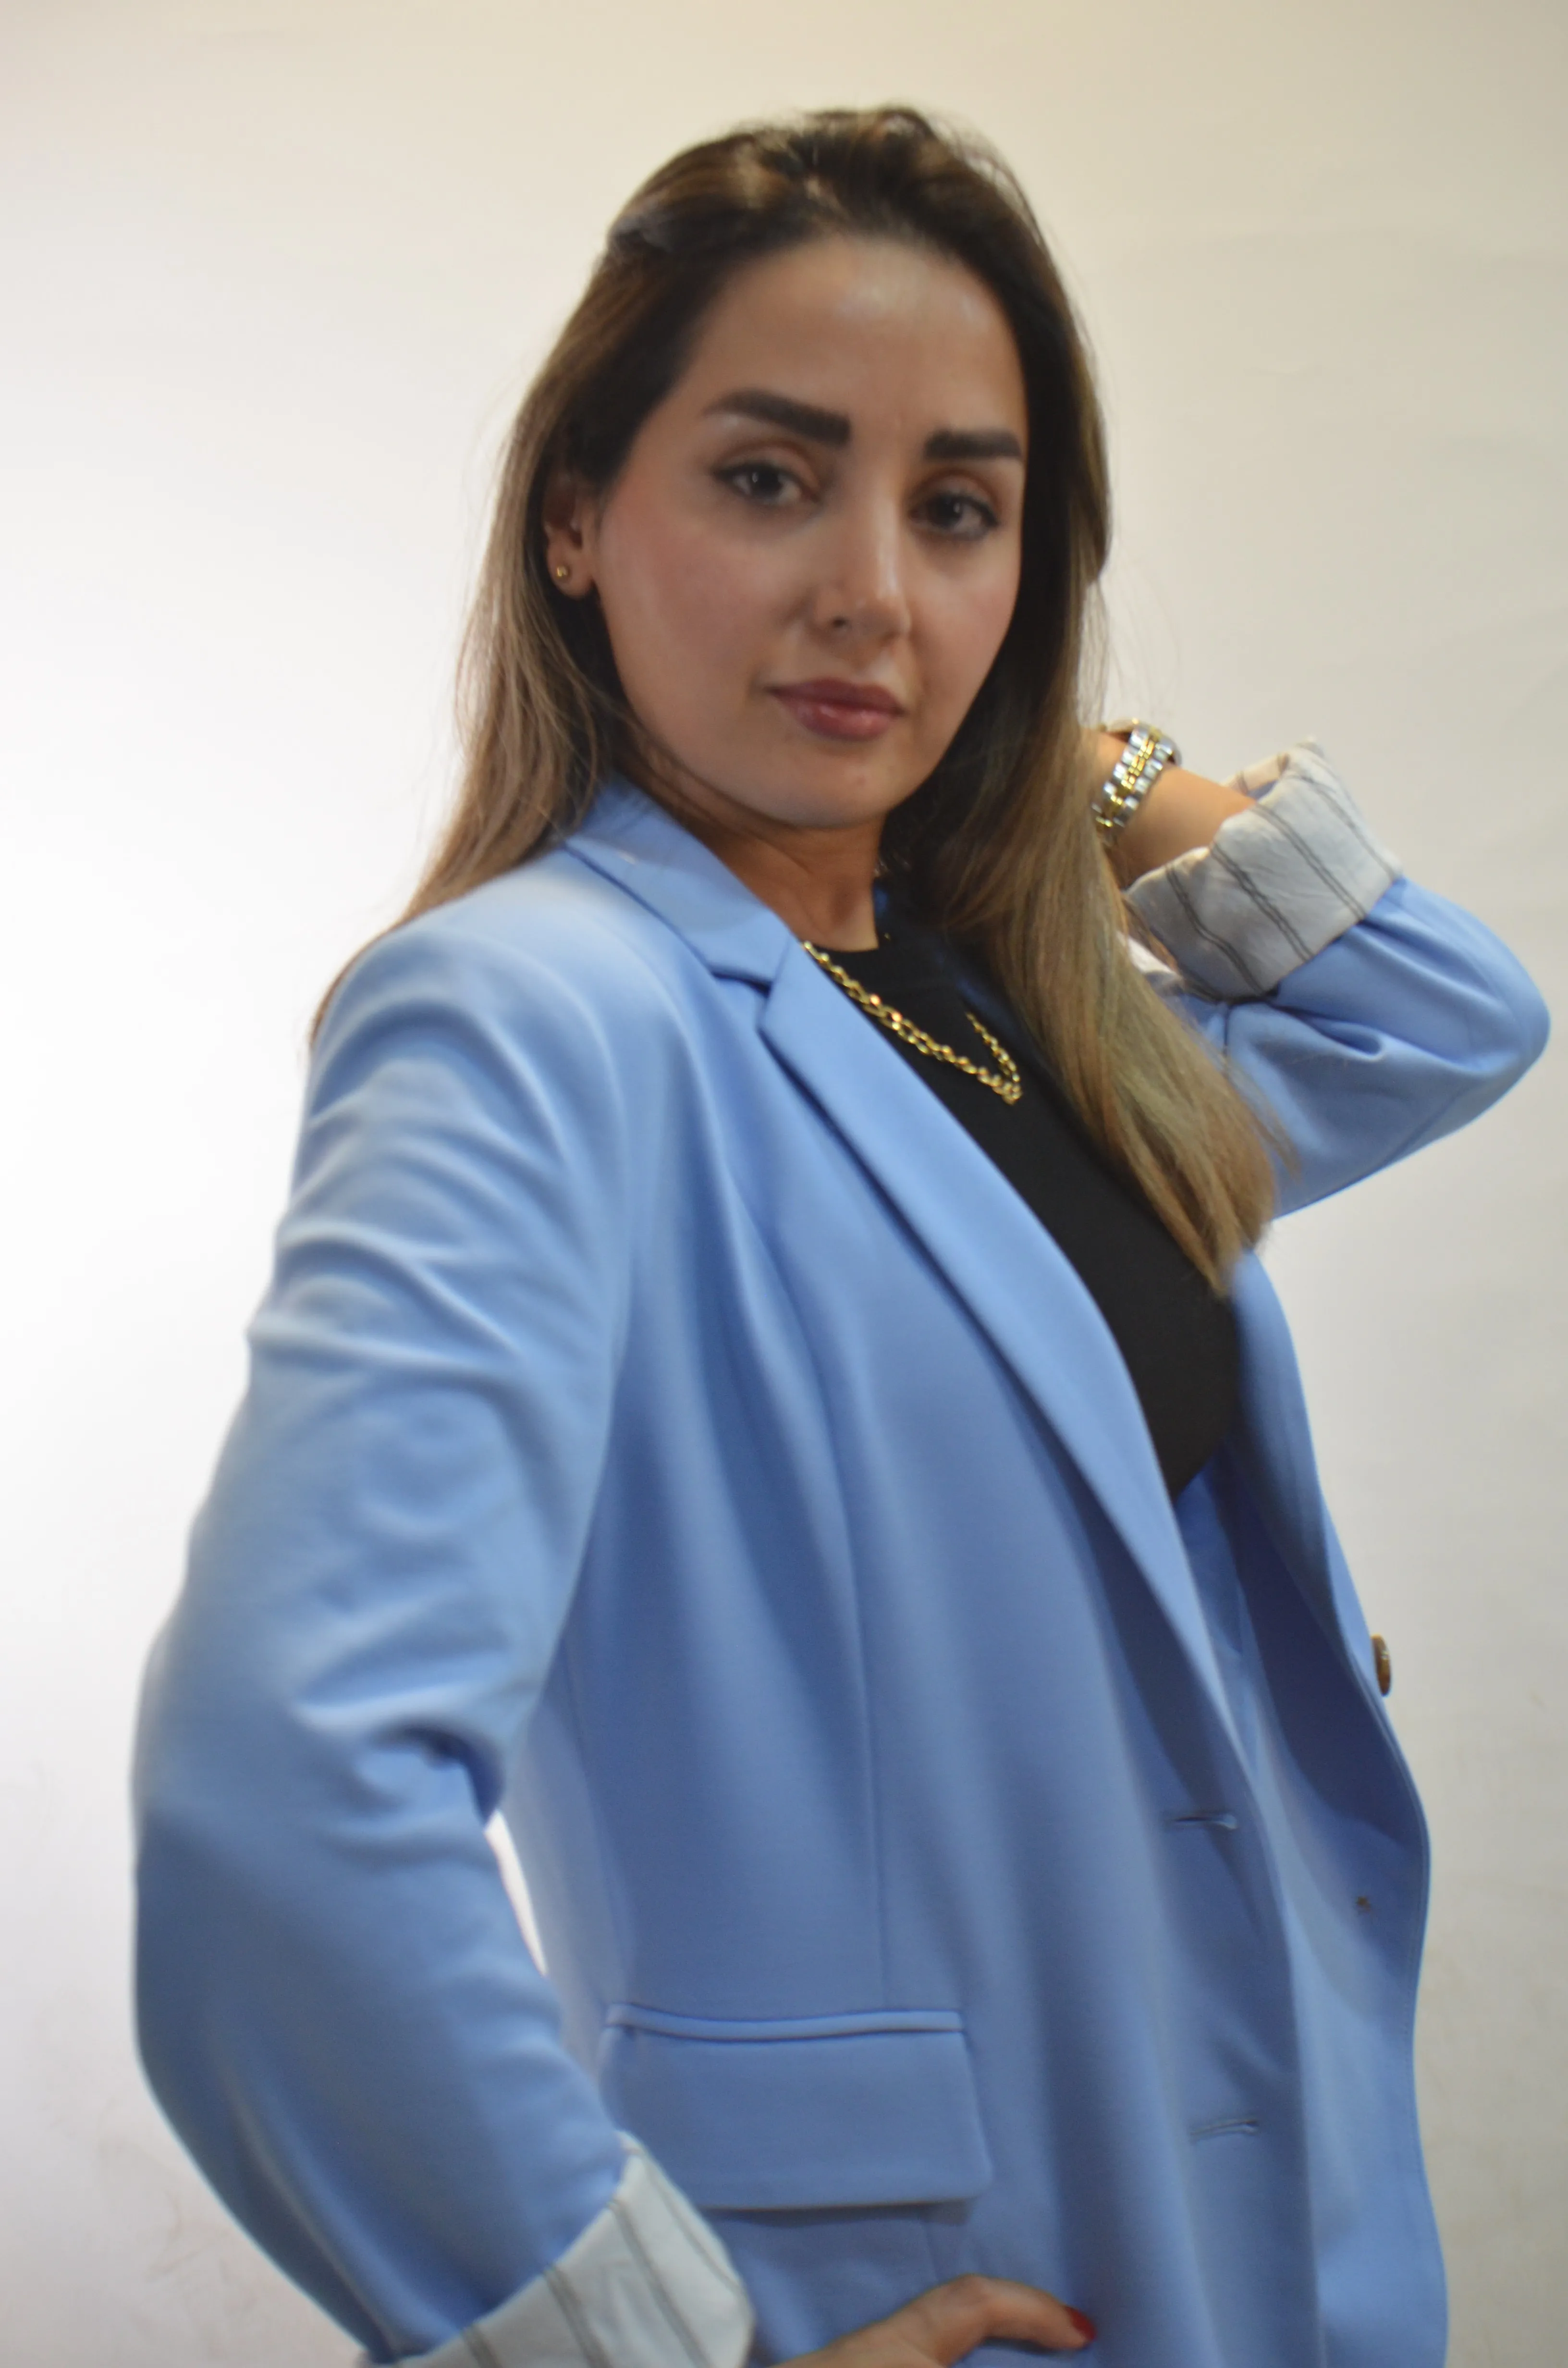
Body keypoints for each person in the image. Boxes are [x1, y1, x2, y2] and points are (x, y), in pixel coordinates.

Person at [133, 106, 1547, 2368]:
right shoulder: (533, 1013)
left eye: (957, 508)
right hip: (907, 2258)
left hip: (1264, 2192)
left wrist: (1067, 758)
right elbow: (279, 1797)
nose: (872, 588)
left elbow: (1443, 1015)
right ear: (577, 516)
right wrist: (646, 2350)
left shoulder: (1004, 1018)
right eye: (771, 477)